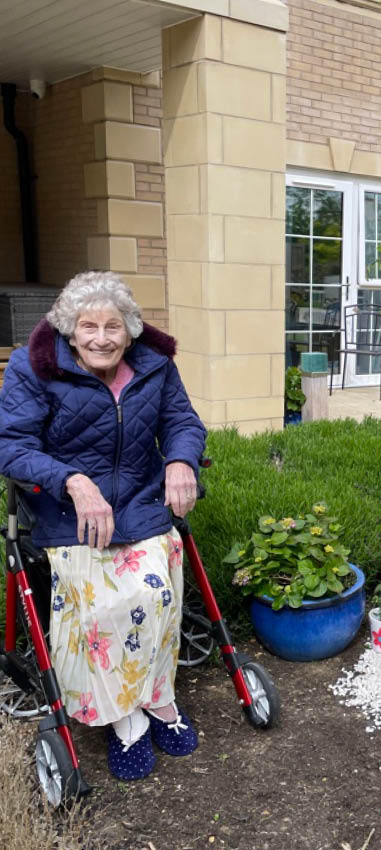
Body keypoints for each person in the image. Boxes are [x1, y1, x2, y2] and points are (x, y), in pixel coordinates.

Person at [0, 271, 207, 781]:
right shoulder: (34, 368)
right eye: (88, 326)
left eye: (113, 326)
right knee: (108, 606)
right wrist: (69, 479)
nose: (101, 338)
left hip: (140, 497)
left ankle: (157, 698)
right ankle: (124, 718)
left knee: (157, 593)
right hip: (68, 508)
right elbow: (11, 445)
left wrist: (182, 461)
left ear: (129, 330)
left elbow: (183, 422)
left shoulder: (154, 365)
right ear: (70, 332)